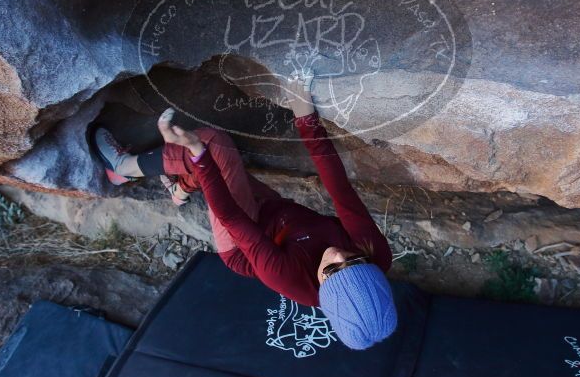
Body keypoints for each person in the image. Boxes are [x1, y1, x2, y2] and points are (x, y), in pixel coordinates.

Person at [92, 72, 397, 350]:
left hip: (243, 243)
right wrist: (306, 117)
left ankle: (123, 168)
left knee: (214, 146)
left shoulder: (287, 278)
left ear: (323, 291)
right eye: (354, 260)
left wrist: (198, 152)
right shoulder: (375, 252)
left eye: (331, 270)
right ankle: (182, 187)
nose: (338, 254)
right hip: (279, 213)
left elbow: (232, 217)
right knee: (214, 171)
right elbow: (339, 187)